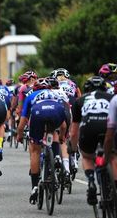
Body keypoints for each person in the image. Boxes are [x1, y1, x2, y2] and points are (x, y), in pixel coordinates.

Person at [17, 78, 67, 204]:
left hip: (39, 113)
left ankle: (34, 186)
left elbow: (23, 120)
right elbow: (64, 125)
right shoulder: (56, 94)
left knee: (35, 149)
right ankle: (56, 156)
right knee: (53, 131)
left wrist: (19, 134)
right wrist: (62, 136)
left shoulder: (31, 95)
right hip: (56, 112)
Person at [70, 76, 113, 205]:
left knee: (87, 157)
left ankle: (91, 181)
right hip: (107, 127)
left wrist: (73, 148)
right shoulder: (112, 99)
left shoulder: (80, 101)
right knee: (112, 155)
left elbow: (74, 131)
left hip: (88, 128)